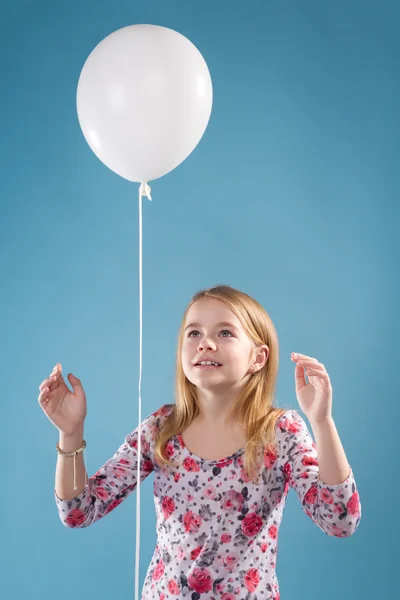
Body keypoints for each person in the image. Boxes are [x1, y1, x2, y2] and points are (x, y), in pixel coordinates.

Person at [38, 285, 361, 600]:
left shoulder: (279, 431)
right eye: (193, 333)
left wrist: (322, 421)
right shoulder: (161, 428)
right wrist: (71, 432)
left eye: (225, 333)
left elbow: (339, 521)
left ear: (258, 358)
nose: (205, 343)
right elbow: (78, 511)